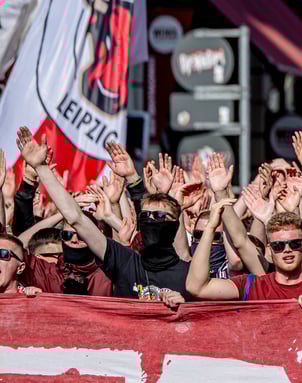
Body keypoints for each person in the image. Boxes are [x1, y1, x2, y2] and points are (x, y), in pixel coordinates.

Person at [16, 128, 187, 306]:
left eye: (159, 216)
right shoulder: (125, 261)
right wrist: (41, 168)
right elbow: (75, 218)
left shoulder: (188, 271)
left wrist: (185, 306)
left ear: (174, 224)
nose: (151, 220)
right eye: (145, 216)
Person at [187, 205, 302, 307]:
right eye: (279, 245)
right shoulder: (252, 285)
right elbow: (197, 287)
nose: (287, 250)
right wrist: (210, 228)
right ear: (270, 249)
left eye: (295, 243)